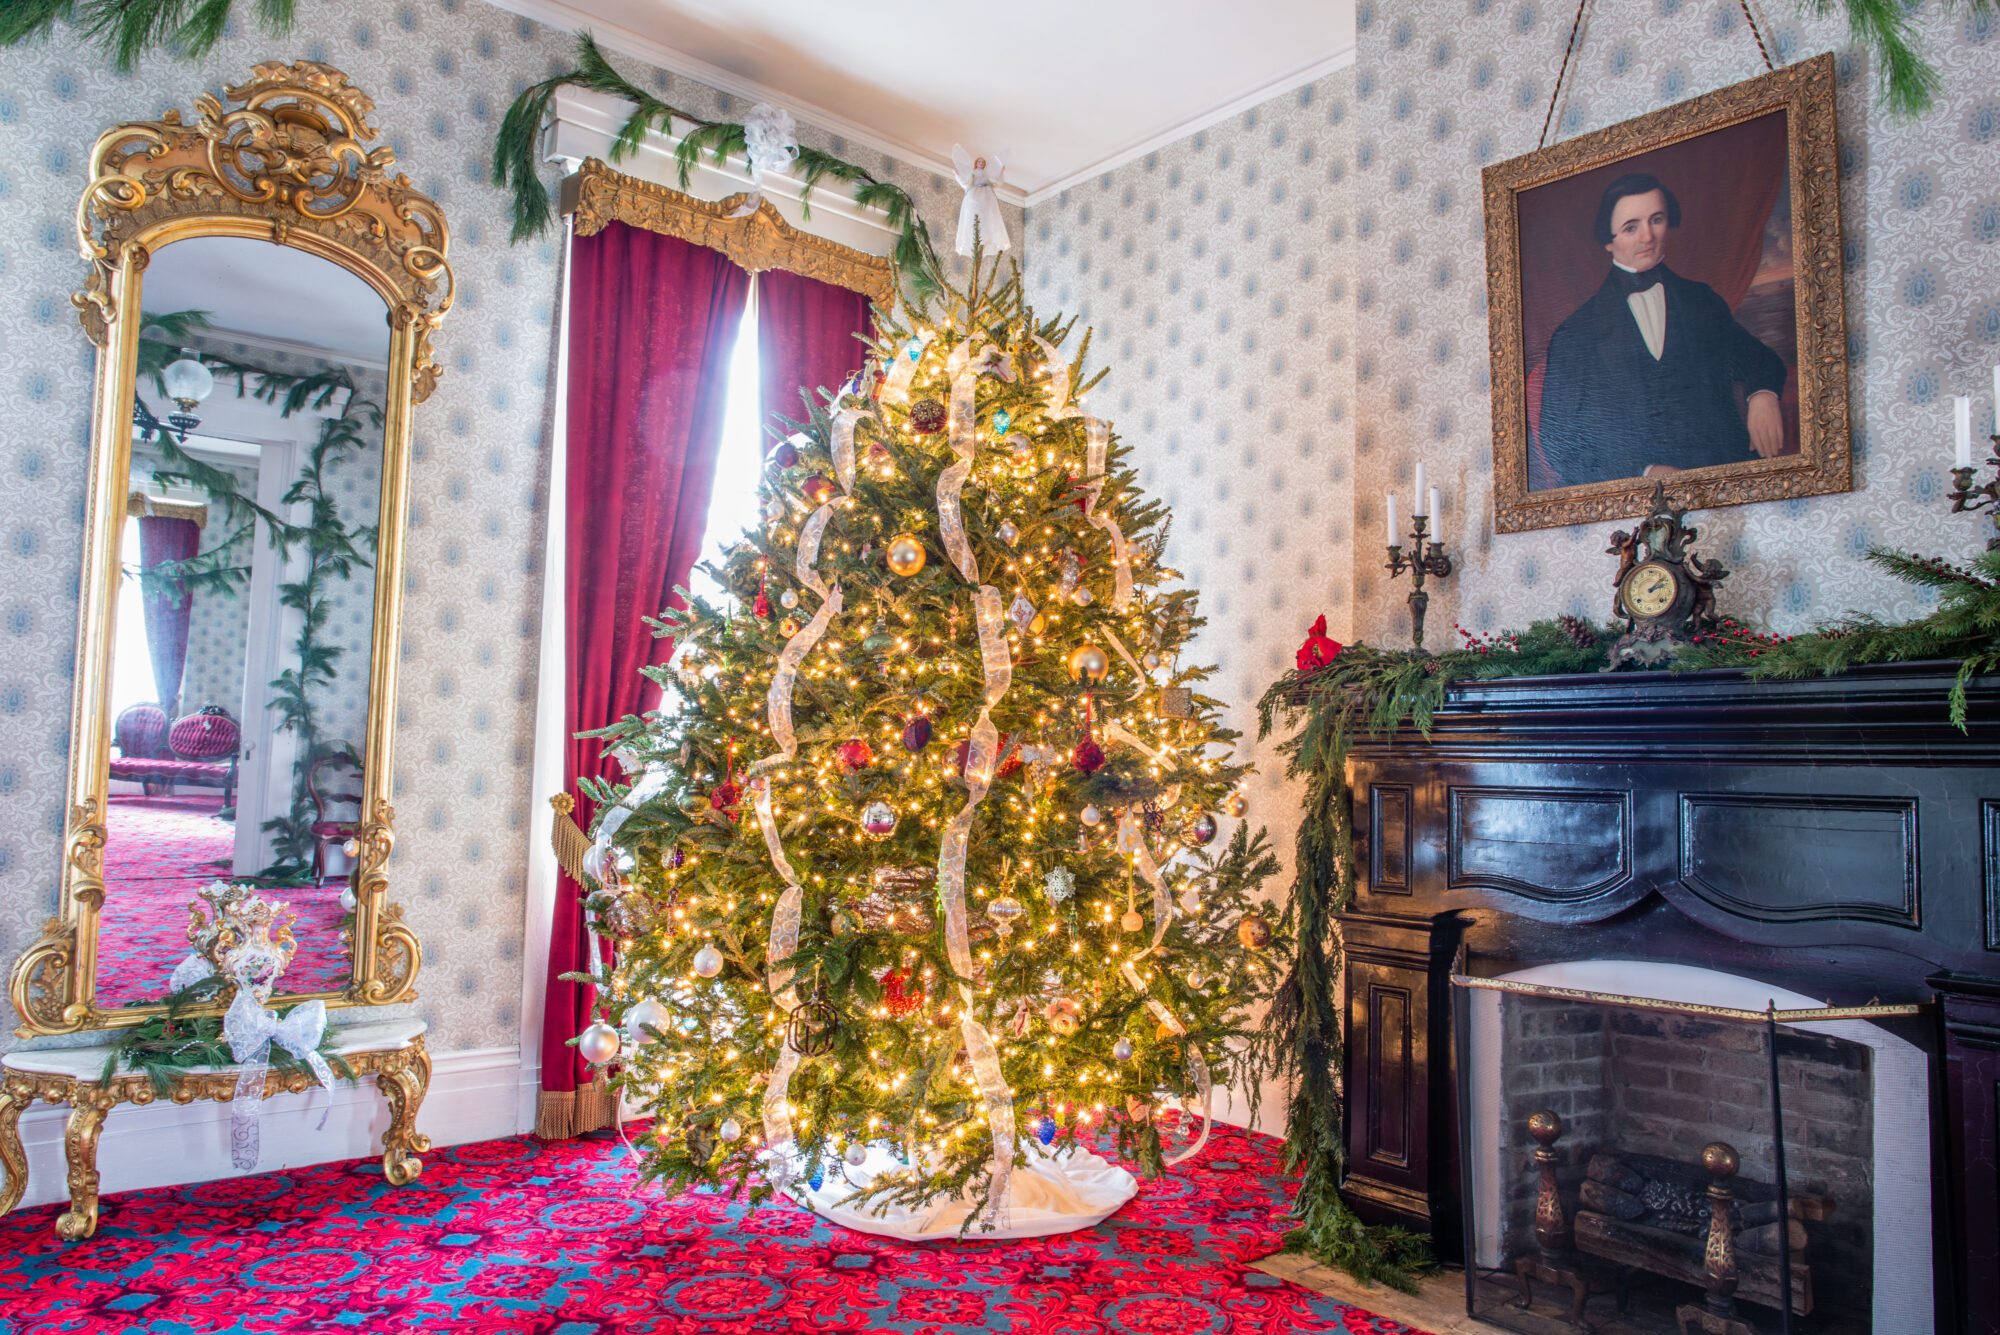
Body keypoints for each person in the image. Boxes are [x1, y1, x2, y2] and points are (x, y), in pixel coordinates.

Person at [1534, 172, 1787, 488]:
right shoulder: (1574, 335)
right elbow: (1561, 446)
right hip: (1630, 504)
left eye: (1656, 220)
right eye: (1631, 227)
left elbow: (1759, 360)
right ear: (1608, 241)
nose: (1647, 237)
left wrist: (1762, 393)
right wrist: (1643, 472)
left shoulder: (1702, 302)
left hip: (1722, 483)